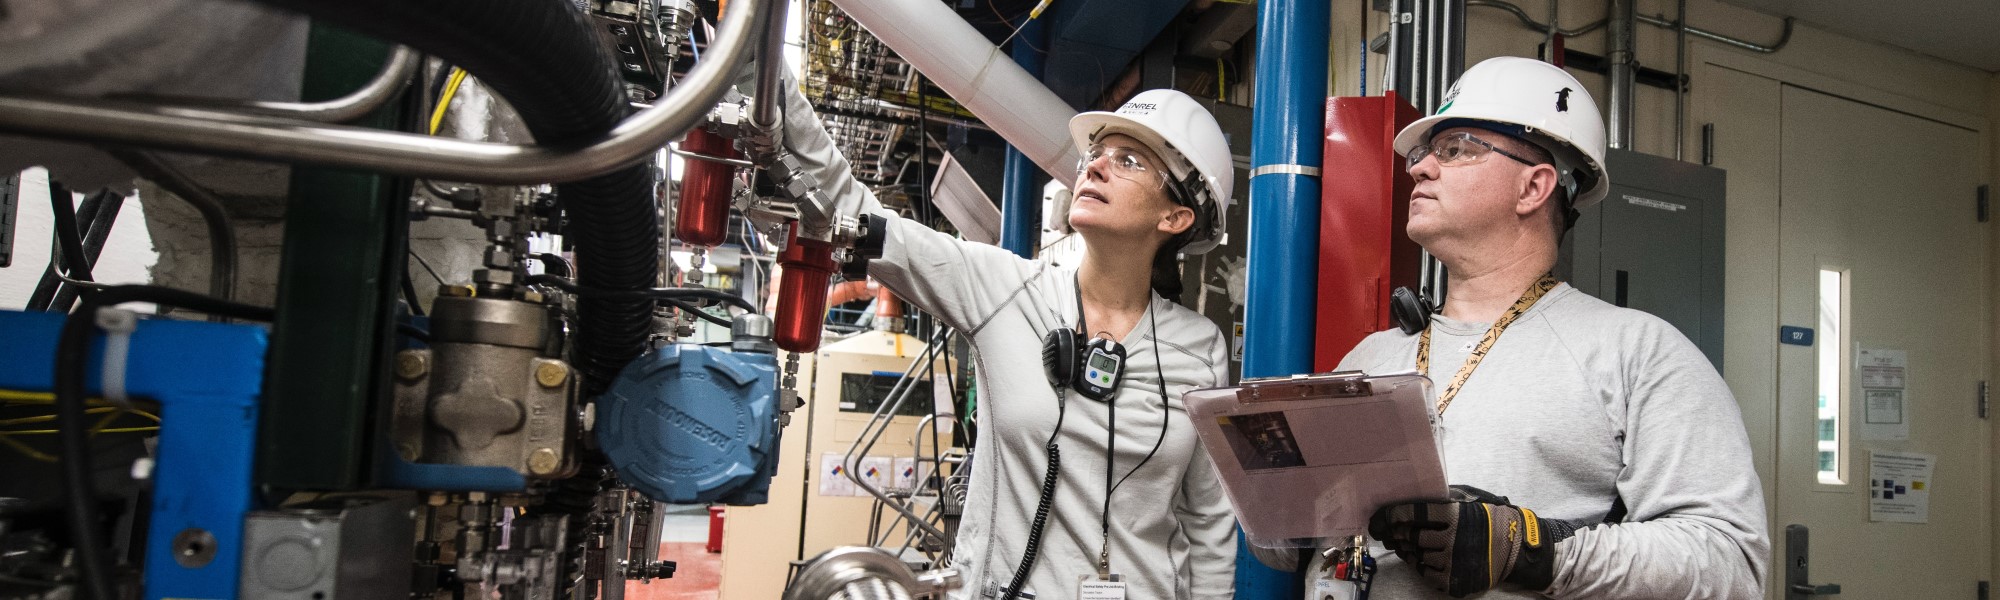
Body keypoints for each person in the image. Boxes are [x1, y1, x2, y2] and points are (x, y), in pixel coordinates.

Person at [1254, 56, 1768, 598]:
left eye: (1455, 149)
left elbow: (1730, 562)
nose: (1419, 168)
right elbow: (1280, 546)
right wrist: (1276, 499)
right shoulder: (1372, 356)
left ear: (1534, 187)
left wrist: (1533, 551)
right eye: (1428, 152)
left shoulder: (1637, 353)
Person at [779, 86, 1239, 599]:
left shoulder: (1200, 348)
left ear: (1175, 218)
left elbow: (1208, 521)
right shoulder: (1006, 290)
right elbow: (853, 213)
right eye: (1097, 154)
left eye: (1128, 160)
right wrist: (768, 80)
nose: (1096, 168)